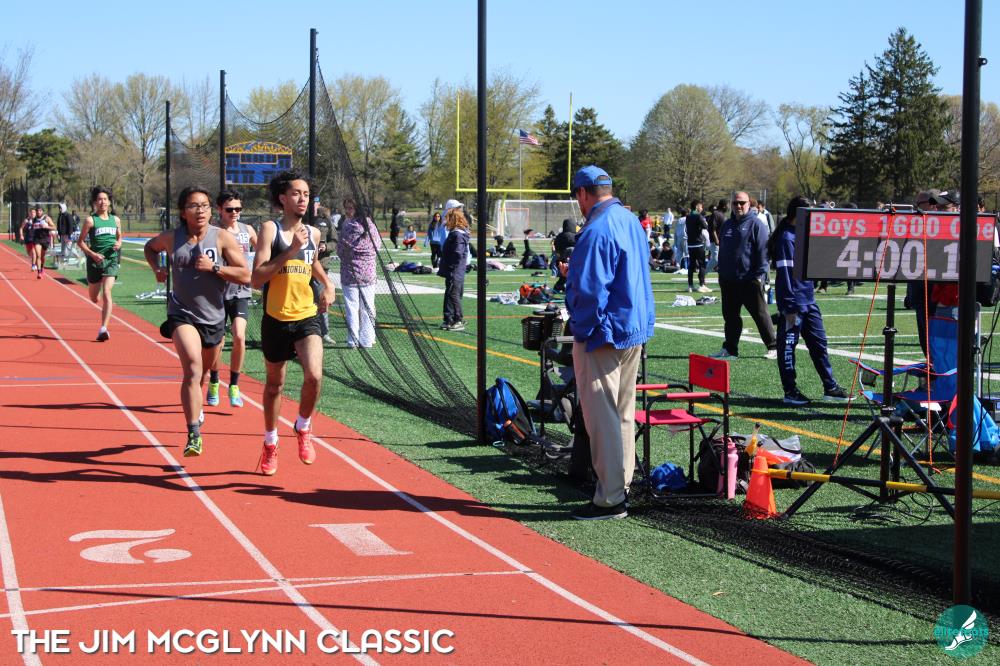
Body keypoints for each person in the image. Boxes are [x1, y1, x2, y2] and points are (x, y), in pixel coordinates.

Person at [566, 166, 654, 520]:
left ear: (583, 193)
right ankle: (620, 486)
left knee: (602, 417)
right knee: (623, 413)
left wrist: (583, 328)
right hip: (633, 327)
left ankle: (610, 497)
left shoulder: (596, 228)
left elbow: (590, 291)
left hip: (604, 334)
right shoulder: (630, 220)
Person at [143, 186, 250, 456]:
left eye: (204, 205)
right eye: (193, 206)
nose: (200, 211)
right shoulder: (172, 237)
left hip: (214, 317)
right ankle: (193, 434)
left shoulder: (222, 237)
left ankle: (197, 405)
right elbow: (150, 247)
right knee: (192, 368)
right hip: (181, 312)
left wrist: (215, 267)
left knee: (202, 373)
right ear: (183, 212)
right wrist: (157, 268)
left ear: (211, 211)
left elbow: (245, 274)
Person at [251, 171, 335, 476]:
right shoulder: (269, 229)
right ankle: (270, 442)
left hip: (306, 316)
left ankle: (303, 425)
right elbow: (256, 279)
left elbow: (311, 264)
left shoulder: (313, 233)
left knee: (314, 375)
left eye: (307, 194)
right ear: (282, 198)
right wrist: (289, 250)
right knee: (275, 386)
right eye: (297, 193)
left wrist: (328, 284)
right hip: (276, 318)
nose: (303, 199)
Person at [769, 196, 853, 405]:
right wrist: (789, 306)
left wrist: (827, 209)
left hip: (808, 299)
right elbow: (786, 274)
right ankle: (790, 391)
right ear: (798, 214)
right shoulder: (786, 238)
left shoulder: (802, 233)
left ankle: (830, 387)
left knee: (819, 344)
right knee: (788, 348)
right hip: (794, 303)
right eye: (810, 212)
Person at [205, 189, 257, 409]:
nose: (235, 212)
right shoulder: (214, 232)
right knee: (217, 342)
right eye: (230, 209)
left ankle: (234, 385)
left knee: (239, 336)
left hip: (240, 292)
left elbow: (264, 250)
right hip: (217, 292)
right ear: (220, 210)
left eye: (238, 209)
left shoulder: (247, 230)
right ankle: (214, 380)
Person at [711, 191, 777, 360]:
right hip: (728, 280)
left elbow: (763, 252)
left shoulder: (756, 224)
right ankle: (730, 349)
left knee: (760, 314)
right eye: (735, 203)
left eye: (742, 203)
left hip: (749, 279)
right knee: (730, 317)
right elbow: (724, 249)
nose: (739, 206)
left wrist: (759, 276)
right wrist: (722, 271)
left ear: (749, 203)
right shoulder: (727, 224)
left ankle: (773, 346)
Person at [78, 186, 123, 342]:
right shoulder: (90, 220)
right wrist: (93, 254)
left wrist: (119, 243)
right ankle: (94, 290)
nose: (102, 202)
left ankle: (103, 328)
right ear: (95, 202)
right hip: (95, 262)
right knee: (94, 298)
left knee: (107, 292)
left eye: (105, 199)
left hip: (111, 260)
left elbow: (119, 236)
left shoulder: (116, 220)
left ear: (109, 202)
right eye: (99, 199)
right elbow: (80, 242)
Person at [336, 197, 382, 348]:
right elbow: (378, 247)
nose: (347, 211)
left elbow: (340, 250)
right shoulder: (371, 226)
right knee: (368, 307)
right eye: (346, 208)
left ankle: (353, 340)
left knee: (352, 307)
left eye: (350, 208)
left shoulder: (348, 226)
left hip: (350, 273)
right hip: (368, 273)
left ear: (357, 209)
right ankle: (367, 339)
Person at [437, 199, 469, 331]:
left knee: (453, 294)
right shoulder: (457, 232)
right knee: (453, 294)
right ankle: (452, 319)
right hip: (456, 269)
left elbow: (457, 252)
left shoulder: (457, 234)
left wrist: (451, 266)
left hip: (455, 269)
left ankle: (457, 319)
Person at [685, 200, 710, 293]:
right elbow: (705, 226)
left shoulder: (688, 216)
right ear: (696, 206)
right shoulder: (699, 216)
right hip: (698, 243)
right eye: (701, 206)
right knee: (702, 265)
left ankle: (690, 285)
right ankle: (702, 285)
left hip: (690, 244)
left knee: (691, 265)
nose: (702, 208)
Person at [29, 206, 55, 278]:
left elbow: (54, 227)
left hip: (45, 239)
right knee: (38, 255)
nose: (39, 212)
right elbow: (32, 226)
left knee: (42, 256)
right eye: (37, 211)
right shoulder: (34, 219)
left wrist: (46, 227)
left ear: (42, 211)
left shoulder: (47, 218)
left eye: (40, 211)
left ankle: (42, 267)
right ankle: (39, 273)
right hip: (37, 239)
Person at [708, 198, 727, 272]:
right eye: (727, 205)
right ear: (724, 206)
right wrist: (716, 239)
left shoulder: (722, 214)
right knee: (715, 260)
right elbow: (713, 228)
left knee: (723, 259)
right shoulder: (716, 214)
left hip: (723, 241)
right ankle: (702, 274)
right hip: (716, 241)